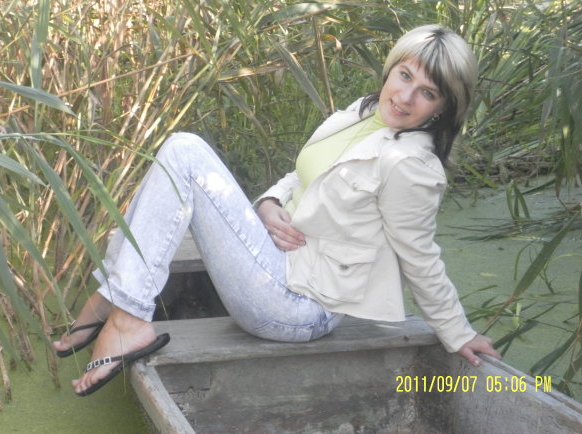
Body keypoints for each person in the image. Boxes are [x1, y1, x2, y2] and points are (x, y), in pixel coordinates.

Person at [53, 24, 501, 396]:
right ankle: (116, 300)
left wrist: (458, 332)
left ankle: (125, 315)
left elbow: (419, 255)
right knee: (179, 154)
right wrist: (267, 204)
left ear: (443, 109)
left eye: (427, 93)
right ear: (391, 68)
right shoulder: (364, 115)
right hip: (275, 262)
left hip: (298, 306)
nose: (405, 97)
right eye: (404, 76)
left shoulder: (411, 165)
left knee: (184, 152)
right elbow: (301, 176)